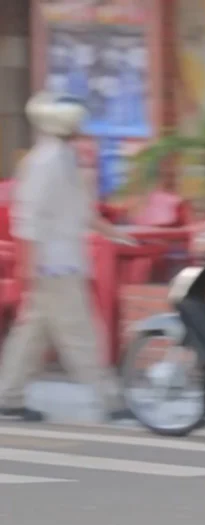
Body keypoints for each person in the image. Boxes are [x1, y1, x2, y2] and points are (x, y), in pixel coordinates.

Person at [0, 92, 136, 423]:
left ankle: (9, 396)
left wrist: (114, 232)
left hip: (59, 262)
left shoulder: (62, 158)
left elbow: (79, 211)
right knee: (82, 334)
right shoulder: (45, 162)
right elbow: (28, 220)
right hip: (54, 264)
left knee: (32, 334)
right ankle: (109, 397)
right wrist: (27, 268)